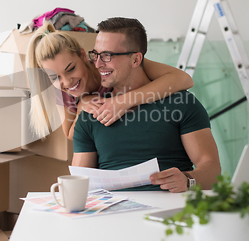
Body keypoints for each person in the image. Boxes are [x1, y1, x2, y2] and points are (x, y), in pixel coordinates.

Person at [72, 17, 221, 193]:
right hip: (112, 215)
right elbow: (77, 186)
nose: (97, 64)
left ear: (136, 60)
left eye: (107, 55)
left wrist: (188, 180)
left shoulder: (181, 104)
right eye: (96, 54)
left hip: (170, 213)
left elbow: (212, 171)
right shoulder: (92, 113)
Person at [26, 21, 194, 141]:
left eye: (70, 69)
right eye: (55, 77)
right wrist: (82, 107)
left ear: (84, 56)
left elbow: (184, 79)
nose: (67, 82)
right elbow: (70, 134)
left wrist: (121, 102)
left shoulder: (108, 64)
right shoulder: (62, 90)